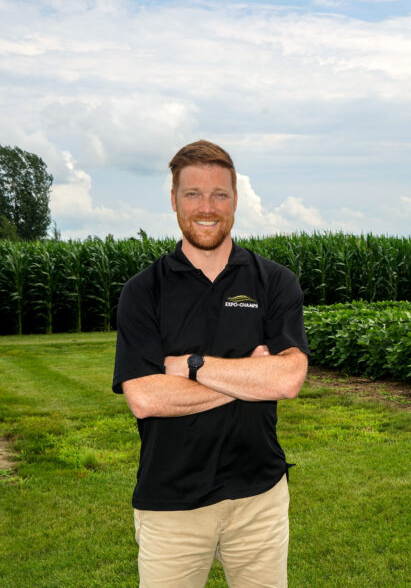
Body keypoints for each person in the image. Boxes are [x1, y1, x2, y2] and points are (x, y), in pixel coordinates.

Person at [113, 140, 310, 588]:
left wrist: (193, 366)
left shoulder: (274, 281)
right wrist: (250, 376)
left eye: (220, 194)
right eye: (193, 194)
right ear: (173, 200)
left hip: (259, 497)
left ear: (236, 200)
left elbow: (289, 377)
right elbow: (144, 397)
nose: (207, 207)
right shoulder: (144, 291)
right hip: (171, 503)